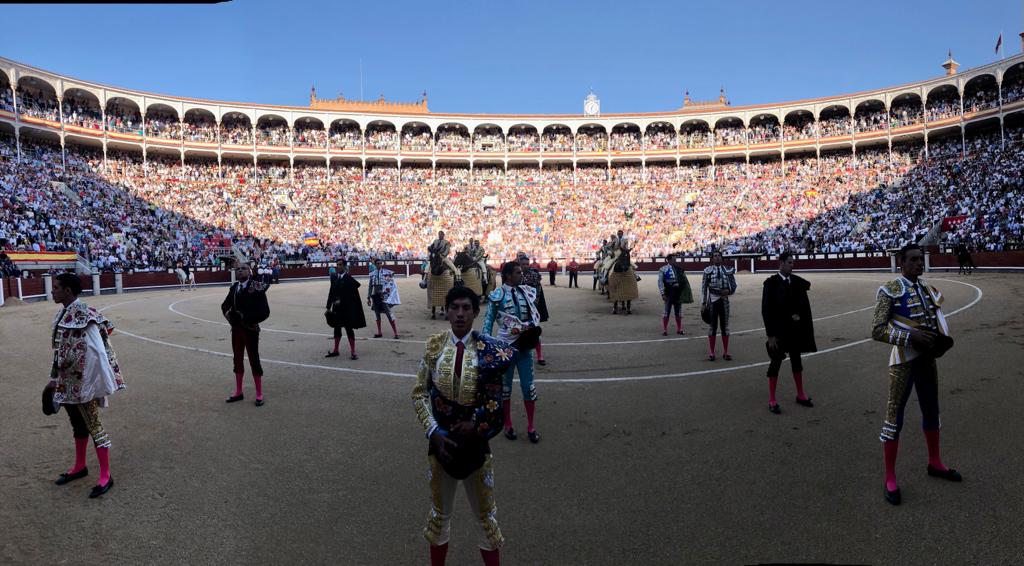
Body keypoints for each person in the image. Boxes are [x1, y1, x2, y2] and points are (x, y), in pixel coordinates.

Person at [412, 286, 514, 566]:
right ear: (446, 311)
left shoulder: (490, 350)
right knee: (438, 517)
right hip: (440, 442)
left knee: (486, 519)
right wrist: (433, 431)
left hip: (476, 444)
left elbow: (497, 403)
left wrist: (477, 424)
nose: (459, 314)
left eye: (465, 308)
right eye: (454, 307)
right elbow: (419, 392)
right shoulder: (434, 345)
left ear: (475, 312)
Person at [872, 244, 960, 506]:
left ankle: (935, 462)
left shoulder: (928, 290)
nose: (918, 264)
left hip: (926, 360)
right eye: (912, 260)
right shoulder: (889, 290)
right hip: (903, 361)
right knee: (893, 417)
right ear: (902, 263)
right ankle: (890, 477)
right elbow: (877, 330)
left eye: (920, 260)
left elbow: (936, 323)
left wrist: (937, 341)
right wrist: (911, 335)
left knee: (932, 410)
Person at [48, 272, 125, 498]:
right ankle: (80, 466)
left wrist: (90, 386)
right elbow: (58, 353)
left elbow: (97, 353)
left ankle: (105, 475)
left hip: (83, 385)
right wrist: (54, 378)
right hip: (66, 383)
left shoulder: (84, 315)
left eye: (56, 287)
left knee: (94, 426)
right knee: (78, 426)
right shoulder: (63, 314)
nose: (52, 291)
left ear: (68, 291)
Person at [483, 261, 542, 443]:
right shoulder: (497, 294)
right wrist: (487, 344)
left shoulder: (526, 292)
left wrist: (531, 328)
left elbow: (533, 317)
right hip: (504, 348)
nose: (520, 275)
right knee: (505, 389)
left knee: (528, 388)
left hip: (523, 346)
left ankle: (531, 426)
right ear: (508, 275)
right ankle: (508, 424)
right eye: (517, 272)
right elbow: (488, 321)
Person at [761, 251, 816, 414]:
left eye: (793, 263)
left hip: (794, 329)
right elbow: (766, 310)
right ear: (782, 263)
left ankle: (800, 394)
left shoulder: (797, 282)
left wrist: (799, 314)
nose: (793, 265)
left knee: (796, 360)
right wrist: (770, 334)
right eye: (790, 263)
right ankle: (772, 399)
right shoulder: (770, 284)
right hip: (779, 330)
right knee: (776, 361)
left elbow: (802, 303)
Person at [221, 264, 270, 406]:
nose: (240, 270)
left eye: (243, 268)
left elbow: (265, 311)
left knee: (254, 359)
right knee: (237, 359)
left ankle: (259, 393)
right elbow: (224, 305)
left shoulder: (257, 287)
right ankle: (238, 392)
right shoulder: (234, 288)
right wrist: (230, 317)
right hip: (236, 330)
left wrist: (244, 317)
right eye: (237, 269)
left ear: (250, 271)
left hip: (250, 329)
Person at [325, 259, 366, 359]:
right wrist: (328, 307)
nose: (338, 266)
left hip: (346, 309)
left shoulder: (348, 279)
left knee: (349, 329)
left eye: (340, 265)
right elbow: (331, 293)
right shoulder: (334, 278)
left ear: (344, 266)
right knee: (337, 328)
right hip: (336, 308)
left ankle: (353, 352)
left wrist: (342, 300)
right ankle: (336, 350)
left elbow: (354, 291)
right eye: (337, 265)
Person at [701, 251, 737, 361]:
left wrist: (729, 291)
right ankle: (712, 352)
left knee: (725, 326)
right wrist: (703, 303)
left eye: (719, 256)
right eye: (715, 256)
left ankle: (726, 352)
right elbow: (704, 288)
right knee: (713, 327)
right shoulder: (707, 271)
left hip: (724, 300)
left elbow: (734, 285)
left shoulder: (728, 270)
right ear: (712, 259)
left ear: (721, 258)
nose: (717, 258)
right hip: (712, 300)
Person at [518, 253, 548, 365]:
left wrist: (533, 306)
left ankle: (539, 355)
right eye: (523, 264)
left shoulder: (534, 275)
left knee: (535, 331)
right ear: (519, 264)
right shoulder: (515, 275)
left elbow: (538, 292)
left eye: (527, 264)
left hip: (531, 308)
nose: (525, 266)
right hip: (518, 307)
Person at [657, 254, 693, 336]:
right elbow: (660, 282)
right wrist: (662, 293)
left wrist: (679, 285)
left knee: (678, 312)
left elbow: (684, 281)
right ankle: (665, 330)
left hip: (677, 293)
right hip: (668, 293)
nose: (675, 261)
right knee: (666, 312)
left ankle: (679, 329)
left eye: (675, 259)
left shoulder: (679, 269)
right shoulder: (663, 269)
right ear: (668, 260)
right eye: (673, 259)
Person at [367, 257, 400, 339]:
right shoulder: (372, 274)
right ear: (375, 265)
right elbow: (370, 286)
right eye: (378, 263)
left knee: (389, 313)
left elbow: (390, 284)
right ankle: (379, 332)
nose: (379, 265)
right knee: (377, 314)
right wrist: (368, 297)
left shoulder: (387, 273)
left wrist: (385, 292)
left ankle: (395, 333)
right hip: (375, 295)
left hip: (384, 296)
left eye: (380, 263)